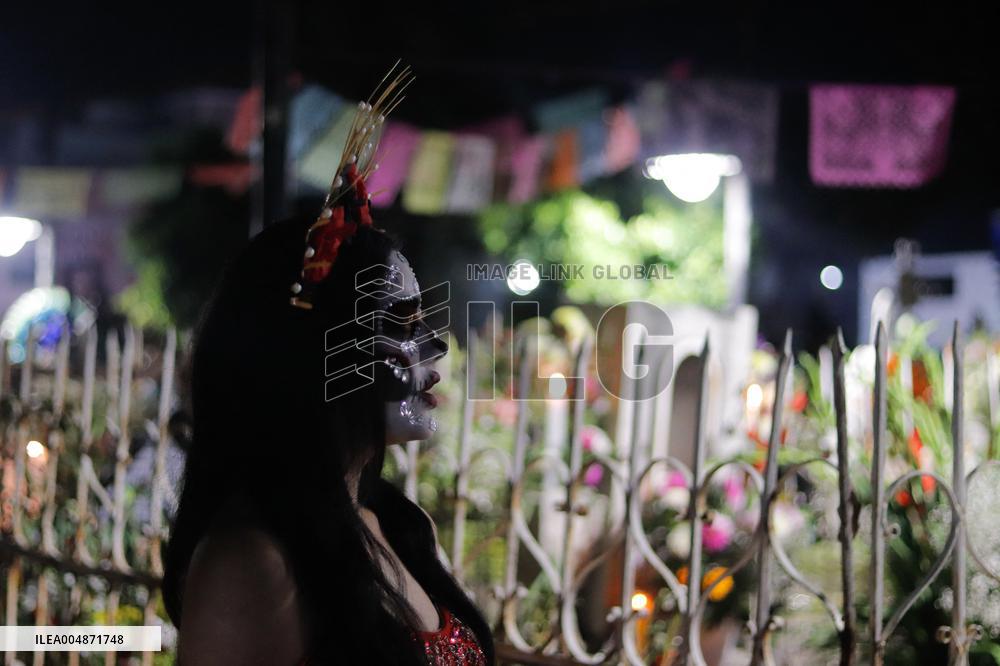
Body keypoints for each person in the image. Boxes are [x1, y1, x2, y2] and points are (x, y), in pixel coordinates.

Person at [162, 65, 494, 665]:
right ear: (315, 354)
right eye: (400, 324)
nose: (434, 346)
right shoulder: (251, 562)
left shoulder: (392, 524)